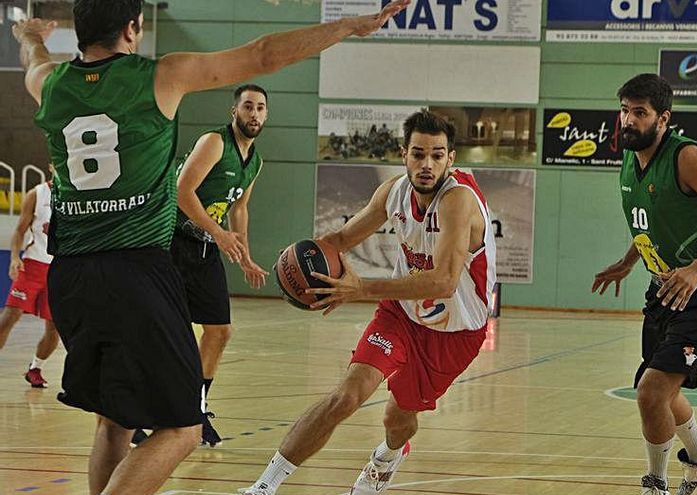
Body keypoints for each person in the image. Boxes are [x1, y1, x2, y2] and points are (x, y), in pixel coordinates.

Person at [12, 1, 410, 494]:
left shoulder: (51, 84)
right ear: (133, 29)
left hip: (69, 274)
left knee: (114, 420)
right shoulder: (161, 75)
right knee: (183, 428)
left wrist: (29, 34)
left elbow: (34, 60)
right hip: (135, 268)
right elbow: (264, 54)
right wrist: (350, 25)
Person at [240, 109, 496, 495]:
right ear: (403, 153)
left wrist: (360, 289)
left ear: (451, 159)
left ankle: (387, 458)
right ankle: (264, 486)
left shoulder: (457, 202)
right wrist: (302, 257)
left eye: (437, 155)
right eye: (418, 153)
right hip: (401, 314)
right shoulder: (393, 192)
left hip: (455, 332)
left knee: (398, 418)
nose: (427, 164)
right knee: (345, 396)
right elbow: (341, 239)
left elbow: (444, 281)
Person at [592, 74, 697, 495]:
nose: (628, 120)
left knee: (651, 392)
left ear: (663, 118)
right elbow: (652, 221)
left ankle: (655, 484)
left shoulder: (688, 158)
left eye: (640, 113)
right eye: (625, 110)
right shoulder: (631, 157)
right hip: (667, 289)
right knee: (659, 391)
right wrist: (629, 261)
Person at [172, 84, 271, 446]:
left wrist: (244, 256)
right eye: (248, 106)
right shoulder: (214, 142)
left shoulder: (255, 161)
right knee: (166, 333)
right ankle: (137, 413)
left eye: (260, 108)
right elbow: (181, 192)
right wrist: (218, 234)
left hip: (205, 246)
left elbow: (239, 208)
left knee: (219, 331)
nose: (254, 114)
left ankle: (196, 411)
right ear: (235, 111)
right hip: (169, 242)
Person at [0, 175, 60, 388]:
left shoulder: (76, 197)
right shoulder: (36, 194)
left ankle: (35, 368)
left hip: (59, 270)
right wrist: (15, 257)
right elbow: (19, 230)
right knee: (10, 316)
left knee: (55, 328)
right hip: (34, 263)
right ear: (51, 166)